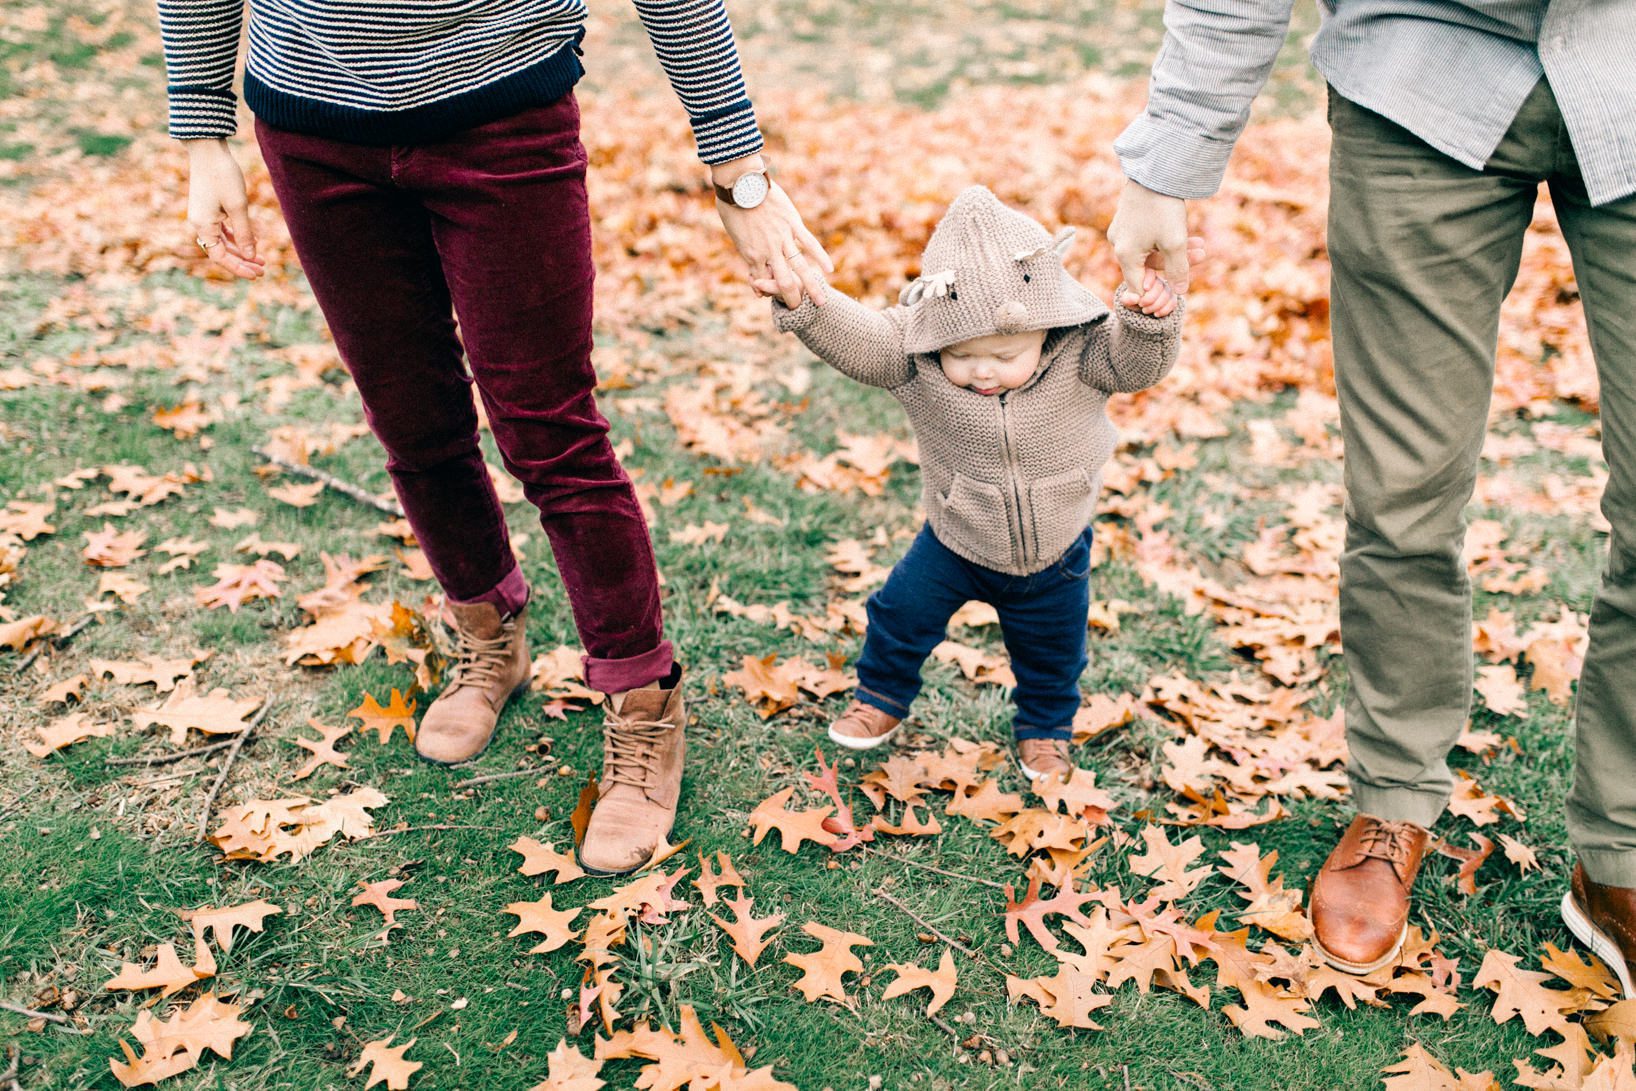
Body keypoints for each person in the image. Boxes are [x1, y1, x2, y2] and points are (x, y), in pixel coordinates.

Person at [158, 0, 833, 875]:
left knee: (551, 431)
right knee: (411, 417)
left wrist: (738, 173)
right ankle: (489, 631)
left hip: (502, 112)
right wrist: (203, 129)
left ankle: (641, 698)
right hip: (313, 125)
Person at [1108, 1, 1636, 983]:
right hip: (1419, 73)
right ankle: (1393, 794)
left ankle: (1623, 853)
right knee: (1403, 495)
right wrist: (1164, 163)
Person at [772, 185, 1193, 780]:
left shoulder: (1083, 354)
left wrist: (1150, 324)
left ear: (1045, 329)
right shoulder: (914, 360)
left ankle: (1045, 730)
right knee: (898, 613)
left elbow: (1137, 366)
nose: (982, 370)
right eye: (962, 355)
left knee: (1053, 655)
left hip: (1056, 552)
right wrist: (808, 305)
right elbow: (864, 341)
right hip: (955, 539)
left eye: (1003, 353)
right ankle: (880, 698)